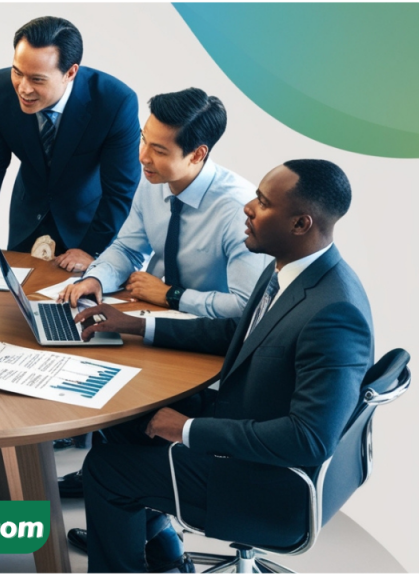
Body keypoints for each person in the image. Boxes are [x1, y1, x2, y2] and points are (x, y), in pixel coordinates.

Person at [67, 160, 373, 573]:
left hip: (267, 484)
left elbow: (309, 439)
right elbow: (239, 333)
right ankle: (161, 546)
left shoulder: (334, 313)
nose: (247, 208)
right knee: (126, 421)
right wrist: (139, 326)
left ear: (301, 224)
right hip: (249, 423)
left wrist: (186, 429)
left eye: (263, 203)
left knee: (105, 471)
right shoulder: (291, 269)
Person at [57, 88, 270, 319]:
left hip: (208, 332)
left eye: (159, 150)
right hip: (149, 315)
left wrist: (172, 295)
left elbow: (246, 304)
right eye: (144, 140)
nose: (143, 157)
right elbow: (127, 250)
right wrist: (95, 279)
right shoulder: (154, 181)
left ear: (197, 155)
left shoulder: (239, 210)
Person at [0, 16, 140, 274]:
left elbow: (120, 190)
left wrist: (91, 249)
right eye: (17, 72)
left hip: (87, 226)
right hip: (27, 219)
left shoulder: (115, 102)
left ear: (70, 73)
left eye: (37, 80)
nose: (23, 88)